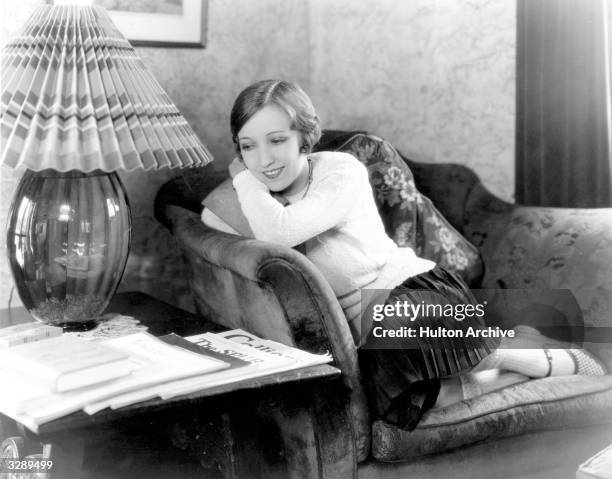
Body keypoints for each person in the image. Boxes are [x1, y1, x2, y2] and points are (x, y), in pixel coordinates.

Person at [201, 79, 606, 430]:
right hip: (367, 327)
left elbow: (279, 232)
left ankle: (534, 357)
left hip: (414, 292)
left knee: (396, 326)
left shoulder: (340, 171)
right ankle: (501, 347)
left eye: (277, 141)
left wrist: (243, 180)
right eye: (248, 147)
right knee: (407, 411)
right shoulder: (259, 194)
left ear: (304, 137)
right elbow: (209, 217)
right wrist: (244, 189)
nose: (264, 160)